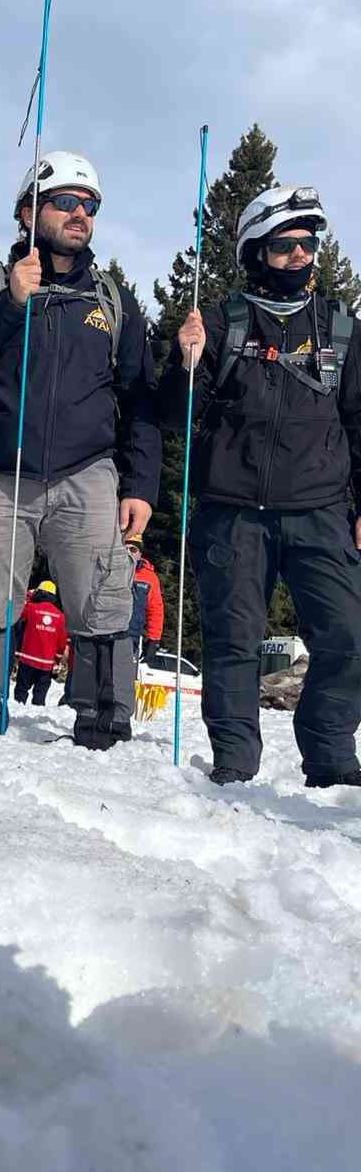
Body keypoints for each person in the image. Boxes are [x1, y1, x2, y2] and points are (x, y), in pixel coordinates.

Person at [0, 150, 161, 749]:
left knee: (102, 600)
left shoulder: (112, 300)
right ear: (27, 211)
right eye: (65, 201)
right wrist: (11, 303)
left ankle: (104, 723)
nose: (79, 213)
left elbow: (141, 402)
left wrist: (141, 485)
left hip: (86, 472)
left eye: (89, 204)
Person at [159, 185, 361, 788]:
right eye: (283, 245)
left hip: (320, 510)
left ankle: (330, 760)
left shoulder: (343, 329)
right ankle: (234, 765)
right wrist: (184, 362)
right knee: (232, 641)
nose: (299, 255)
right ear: (254, 251)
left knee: (348, 635)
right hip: (233, 511)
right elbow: (174, 416)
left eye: (308, 243)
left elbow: (358, 419)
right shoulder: (220, 322)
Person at [14, 580, 68, 706]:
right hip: (46, 663)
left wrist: (28, 596)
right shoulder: (60, 616)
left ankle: (17, 710)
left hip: (27, 659)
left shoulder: (31, 608)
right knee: (40, 693)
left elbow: (19, 612)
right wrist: (57, 659)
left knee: (21, 689)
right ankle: (37, 713)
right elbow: (62, 642)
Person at [124, 535, 163, 664]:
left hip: (130, 636)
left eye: (133, 550)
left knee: (122, 677)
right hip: (104, 631)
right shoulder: (108, 569)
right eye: (125, 549)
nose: (128, 553)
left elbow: (155, 609)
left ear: (140, 554)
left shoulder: (149, 577)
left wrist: (153, 639)